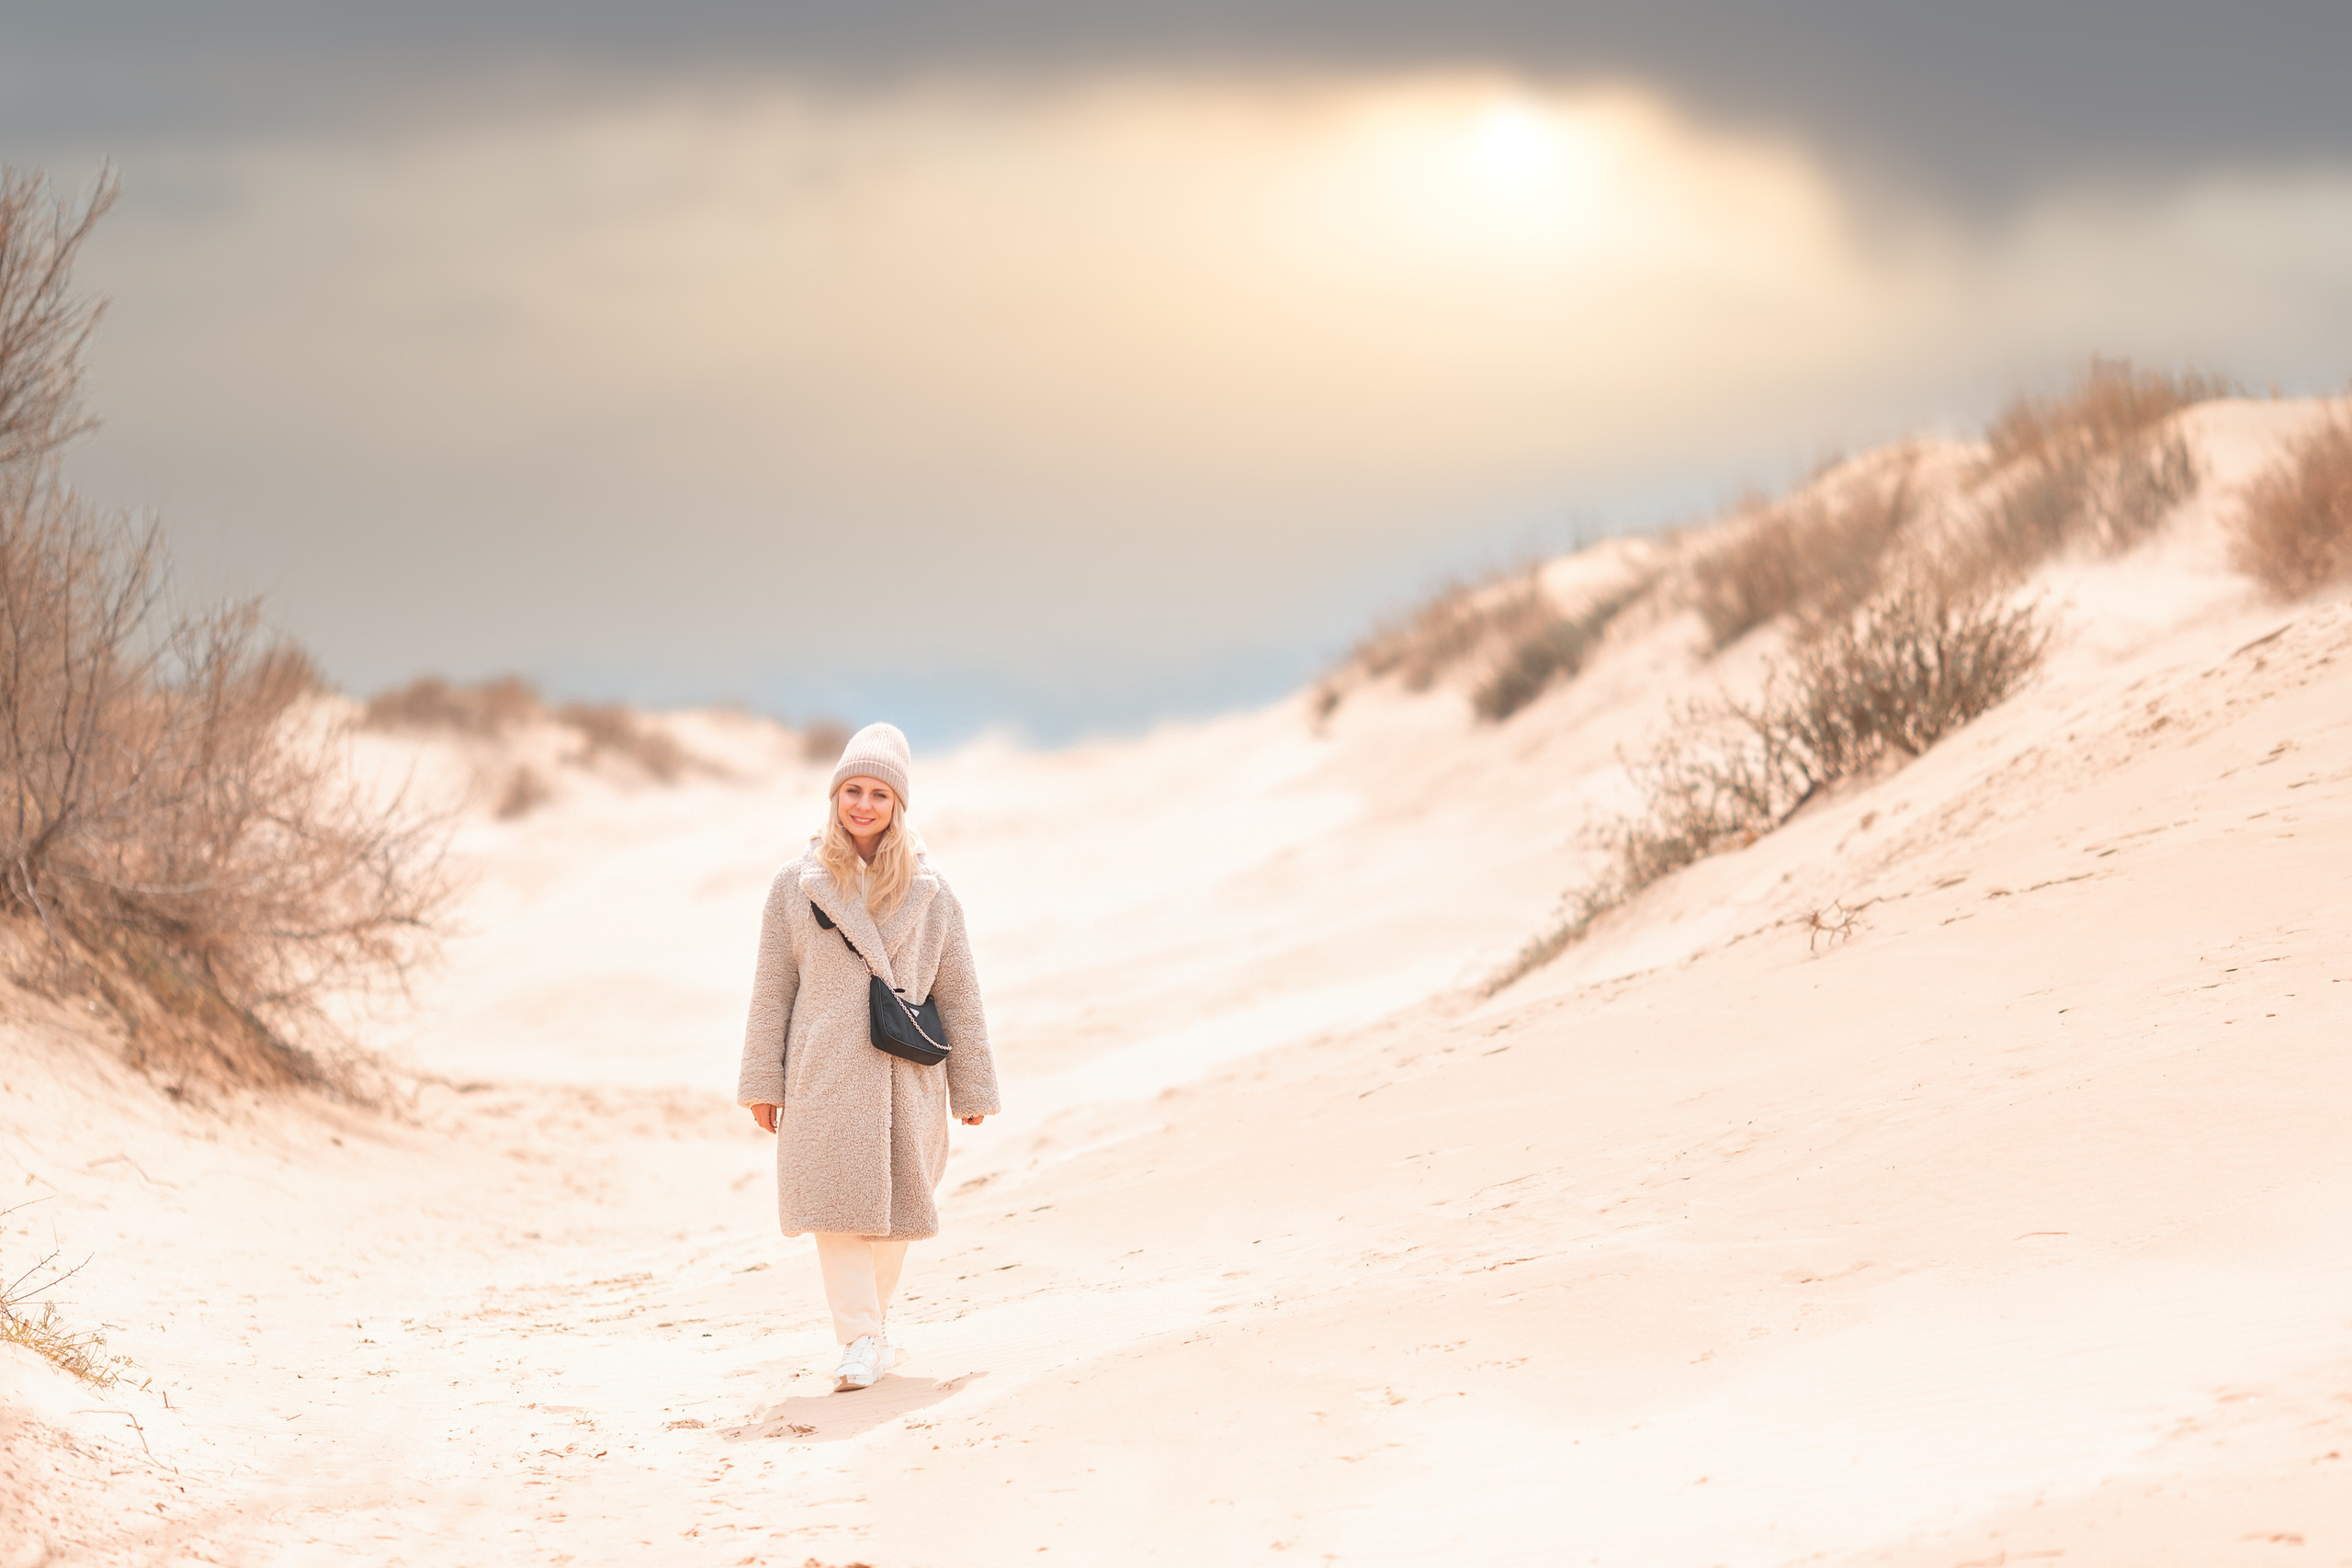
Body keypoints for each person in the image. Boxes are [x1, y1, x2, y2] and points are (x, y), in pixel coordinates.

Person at [736, 722, 1002, 1392]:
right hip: (823, 1074)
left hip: (906, 1075)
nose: (862, 804)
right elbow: (773, 990)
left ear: (898, 805)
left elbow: (960, 991)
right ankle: (858, 1338)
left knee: (898, 1215)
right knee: (837, 1209)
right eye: (851, 789)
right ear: (834, 796)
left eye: (878, 793)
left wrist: (973, 1089)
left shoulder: (932, 892)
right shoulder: (795, 886)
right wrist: (762, 1079)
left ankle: (872, 1331)